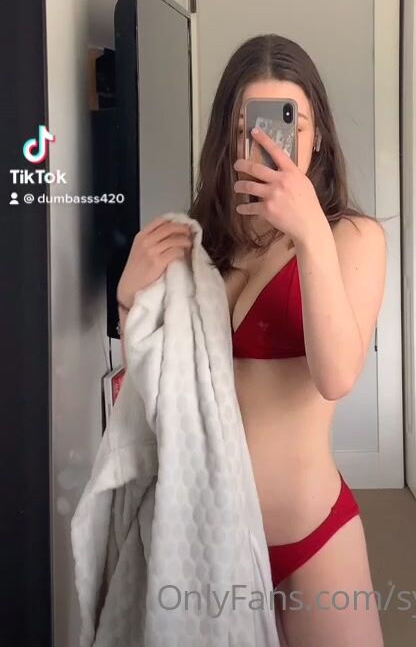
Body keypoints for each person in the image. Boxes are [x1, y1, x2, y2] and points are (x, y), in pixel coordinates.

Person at [116, 34, 387, 646]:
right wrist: (130, 300)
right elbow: (158, 395)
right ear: (227, 139)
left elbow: (337, 375)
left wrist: (309, 232)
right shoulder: (200, 245)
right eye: (247, 128)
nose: (265, 143)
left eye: (288, 124)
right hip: (208, 538)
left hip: (313, 538)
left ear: (317, 137)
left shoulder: (353, 238)